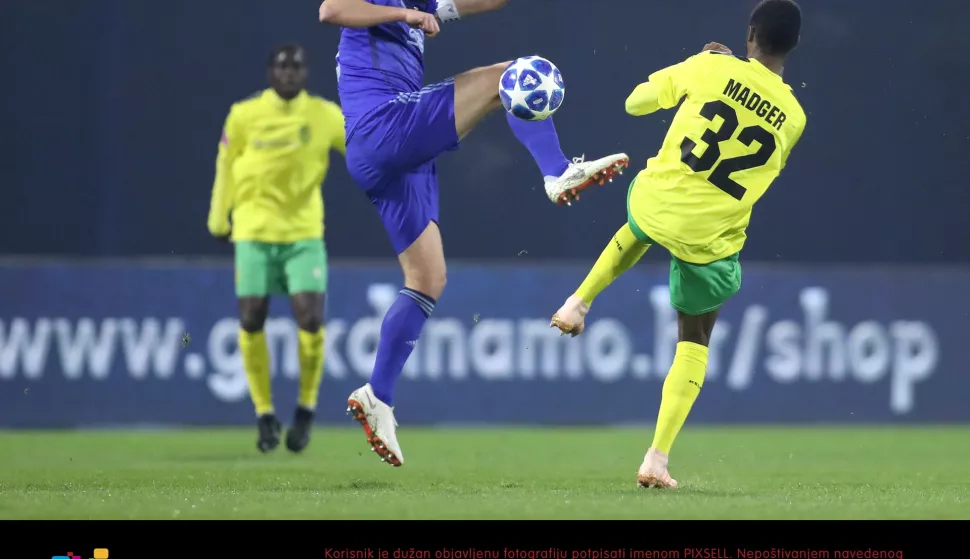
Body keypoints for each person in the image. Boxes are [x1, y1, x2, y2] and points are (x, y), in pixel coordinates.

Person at [318, 0, 630, 467]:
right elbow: (330, 9)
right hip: (383, 126)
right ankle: (556, 170)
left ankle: (377, 395)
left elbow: (466, 3)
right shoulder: (395, 6)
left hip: (387, 156)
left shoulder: (418, 4)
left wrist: (418, 13)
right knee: (515, 74)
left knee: (427, 279)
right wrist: (406, 17)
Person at [550, 0, 806, 488]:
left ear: (750, 34)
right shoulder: (795, 117)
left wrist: (699, 64)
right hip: (709, 236)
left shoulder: (711, 66)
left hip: (659, 202)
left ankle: (578, 301)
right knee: (694, 339)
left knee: (641, 222)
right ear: (793, 46)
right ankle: (656, 458)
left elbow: (635, 103)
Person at [207, 44, 346, 454]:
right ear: (270, 73)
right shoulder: (244, 114)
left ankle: (306, 407)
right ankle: (264, 412)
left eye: (296, 67)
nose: (288, 73)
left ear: (306, 73)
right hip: (253, 230)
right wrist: (218, 217)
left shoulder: (324, 115)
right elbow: (225, 163)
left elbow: (362, 147)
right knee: (252, 319)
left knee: (311, 319)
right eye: (281, 67)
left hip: (303, 233)